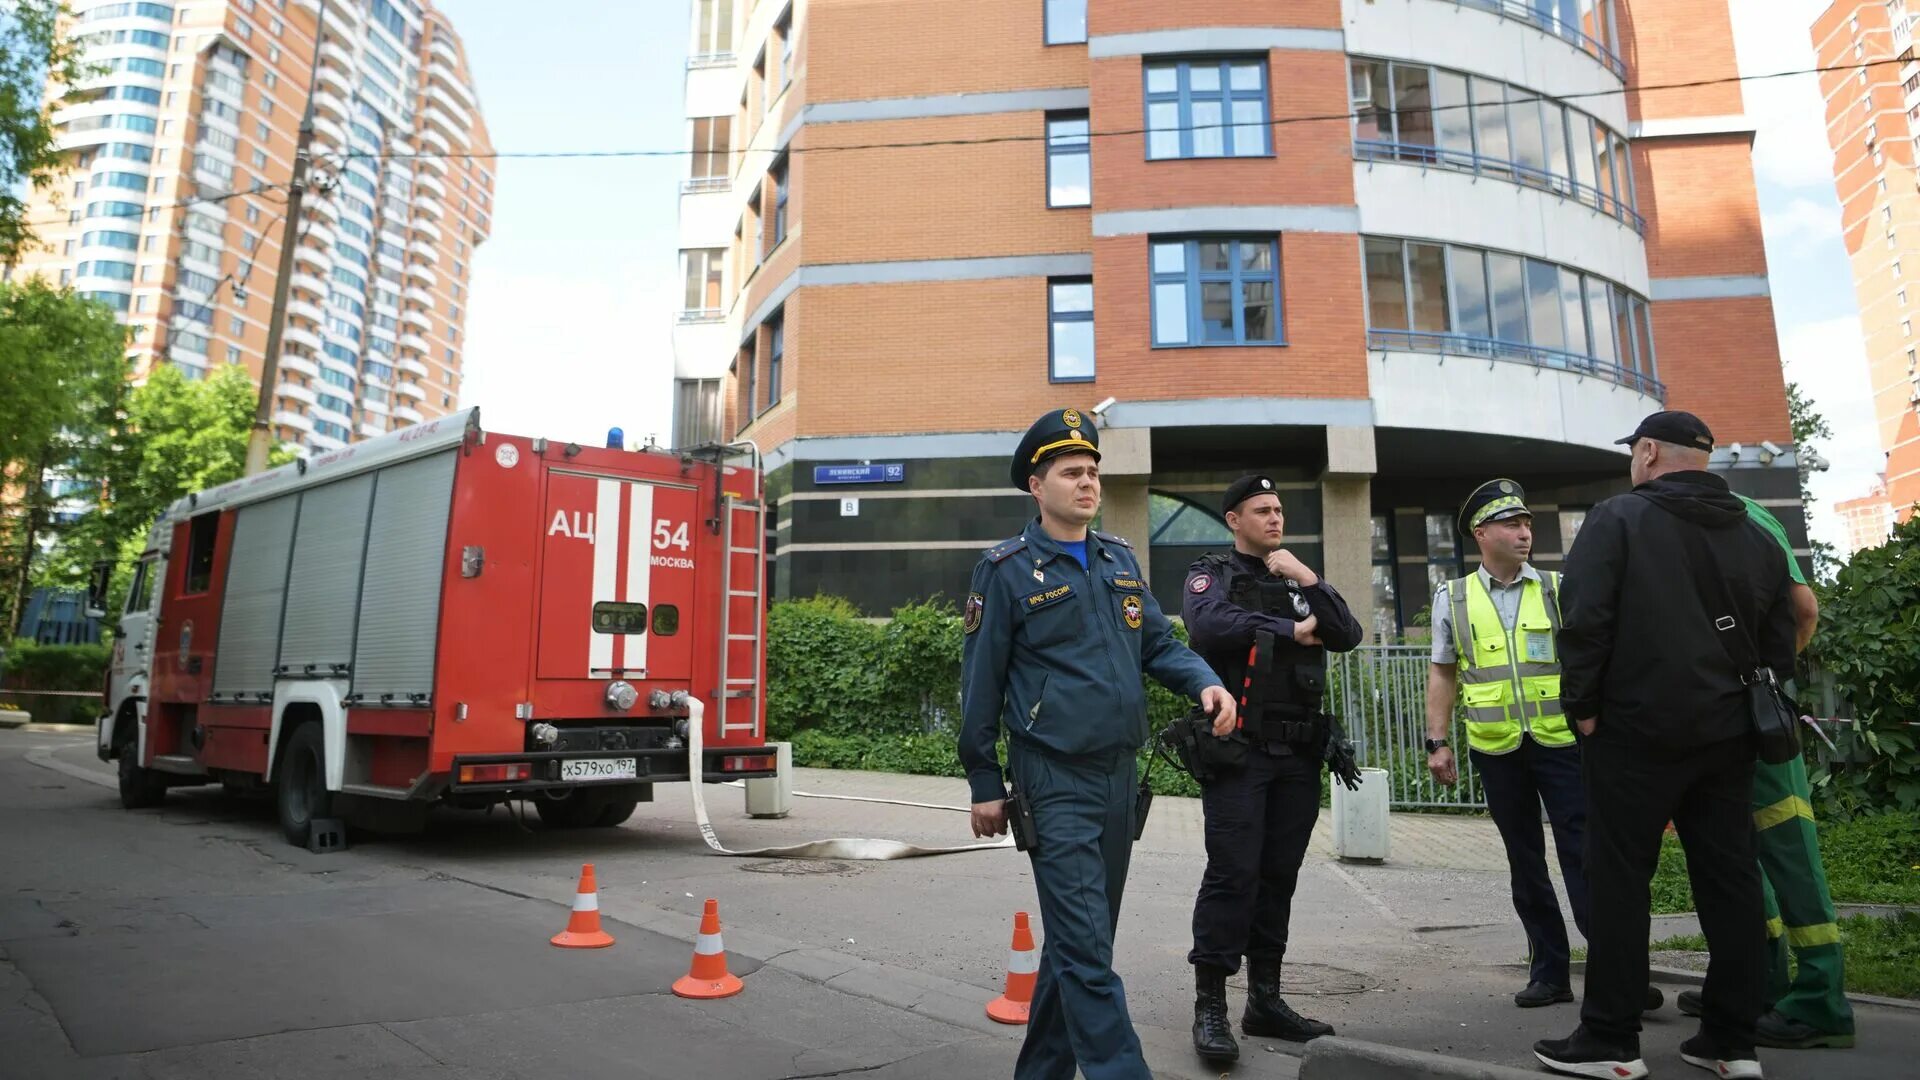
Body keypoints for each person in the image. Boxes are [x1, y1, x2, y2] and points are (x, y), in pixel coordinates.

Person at [960, 407, 1235, 1080]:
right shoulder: (1006, 571)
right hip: (1051, 779)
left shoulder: (1118, 559)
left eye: (1093, 472)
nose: (1088, 484)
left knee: (1079, 944)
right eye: (1071, 472)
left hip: (1118, 780)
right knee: (1086, 951)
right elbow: (980, 687)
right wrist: (985, 785)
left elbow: (1159, 644)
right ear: (1037, 484)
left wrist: (1207, 683)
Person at [1536, 411, 1795, 1080]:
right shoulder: (1757, 532)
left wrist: (1583, 710)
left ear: (1648, 452)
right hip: (1728, 736)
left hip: (1633, 732)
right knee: (1731, 880)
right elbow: (1780, 636)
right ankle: (1732, 1043)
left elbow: (1584, 620)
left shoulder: (1616, 519)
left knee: (1620, 880)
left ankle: (1612, 1042)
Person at [1180, 474, 1364, 1064]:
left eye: (1280, 509)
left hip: (1299, 755)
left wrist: (1309, 580)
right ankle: (1211, 1004)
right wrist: (1288, 628)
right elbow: (1208, 627)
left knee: (1277, 876)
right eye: (1262, 510)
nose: (1274, 518)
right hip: (1240, 752)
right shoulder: (1215, 575)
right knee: (1233, 873)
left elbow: (1347, 634)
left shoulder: (1295, 578)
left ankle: (1265, 999)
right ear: (1234, 519)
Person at [1674, 498, 1854, 1049]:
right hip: (1741, 716)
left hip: (1735, 718)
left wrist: (1762, 686)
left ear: (1650, 453)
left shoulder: (1723, 517)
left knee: (1783, 852)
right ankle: (1758, 982)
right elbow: (1799, 613)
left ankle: (1821, 1000)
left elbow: (1803, 610)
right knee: (1742, 853)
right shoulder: (1732, 516)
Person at [1426, 480, 1591, 1009]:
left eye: (1527, 525)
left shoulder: (1556, 588)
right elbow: (1443, 672)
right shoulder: (1452, 596)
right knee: (1526, 862)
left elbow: (1587, 661)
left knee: (1586, 855)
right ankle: (1550, 973)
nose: (1525, 533)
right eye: (1512, 525)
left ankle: (1619, 969)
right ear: (1482, 533)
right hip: (1498, 749)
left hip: (1563, 743)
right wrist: (1437, 742)